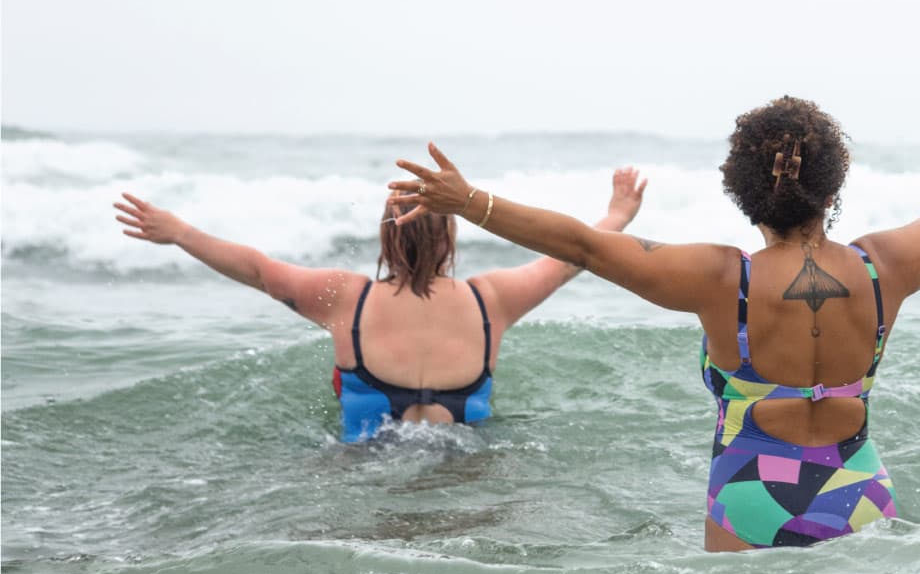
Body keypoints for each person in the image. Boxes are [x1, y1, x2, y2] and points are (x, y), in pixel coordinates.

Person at [389, 74, 920, 551]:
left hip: (749, 494)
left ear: (740, 191)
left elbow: (582, 242)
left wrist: (472, 202)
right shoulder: (885, 267)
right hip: (859, 492)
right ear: (834, 186)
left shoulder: (721, 280)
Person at [114, 168, 647, 441]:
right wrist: (617, 215)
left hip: (364, 467)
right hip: (465, 468)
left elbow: (256, 270)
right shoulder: (493, 301)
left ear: (386, 237)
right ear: (450, 238)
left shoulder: (344, 298)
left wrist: (181, 232)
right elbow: (571, 258)